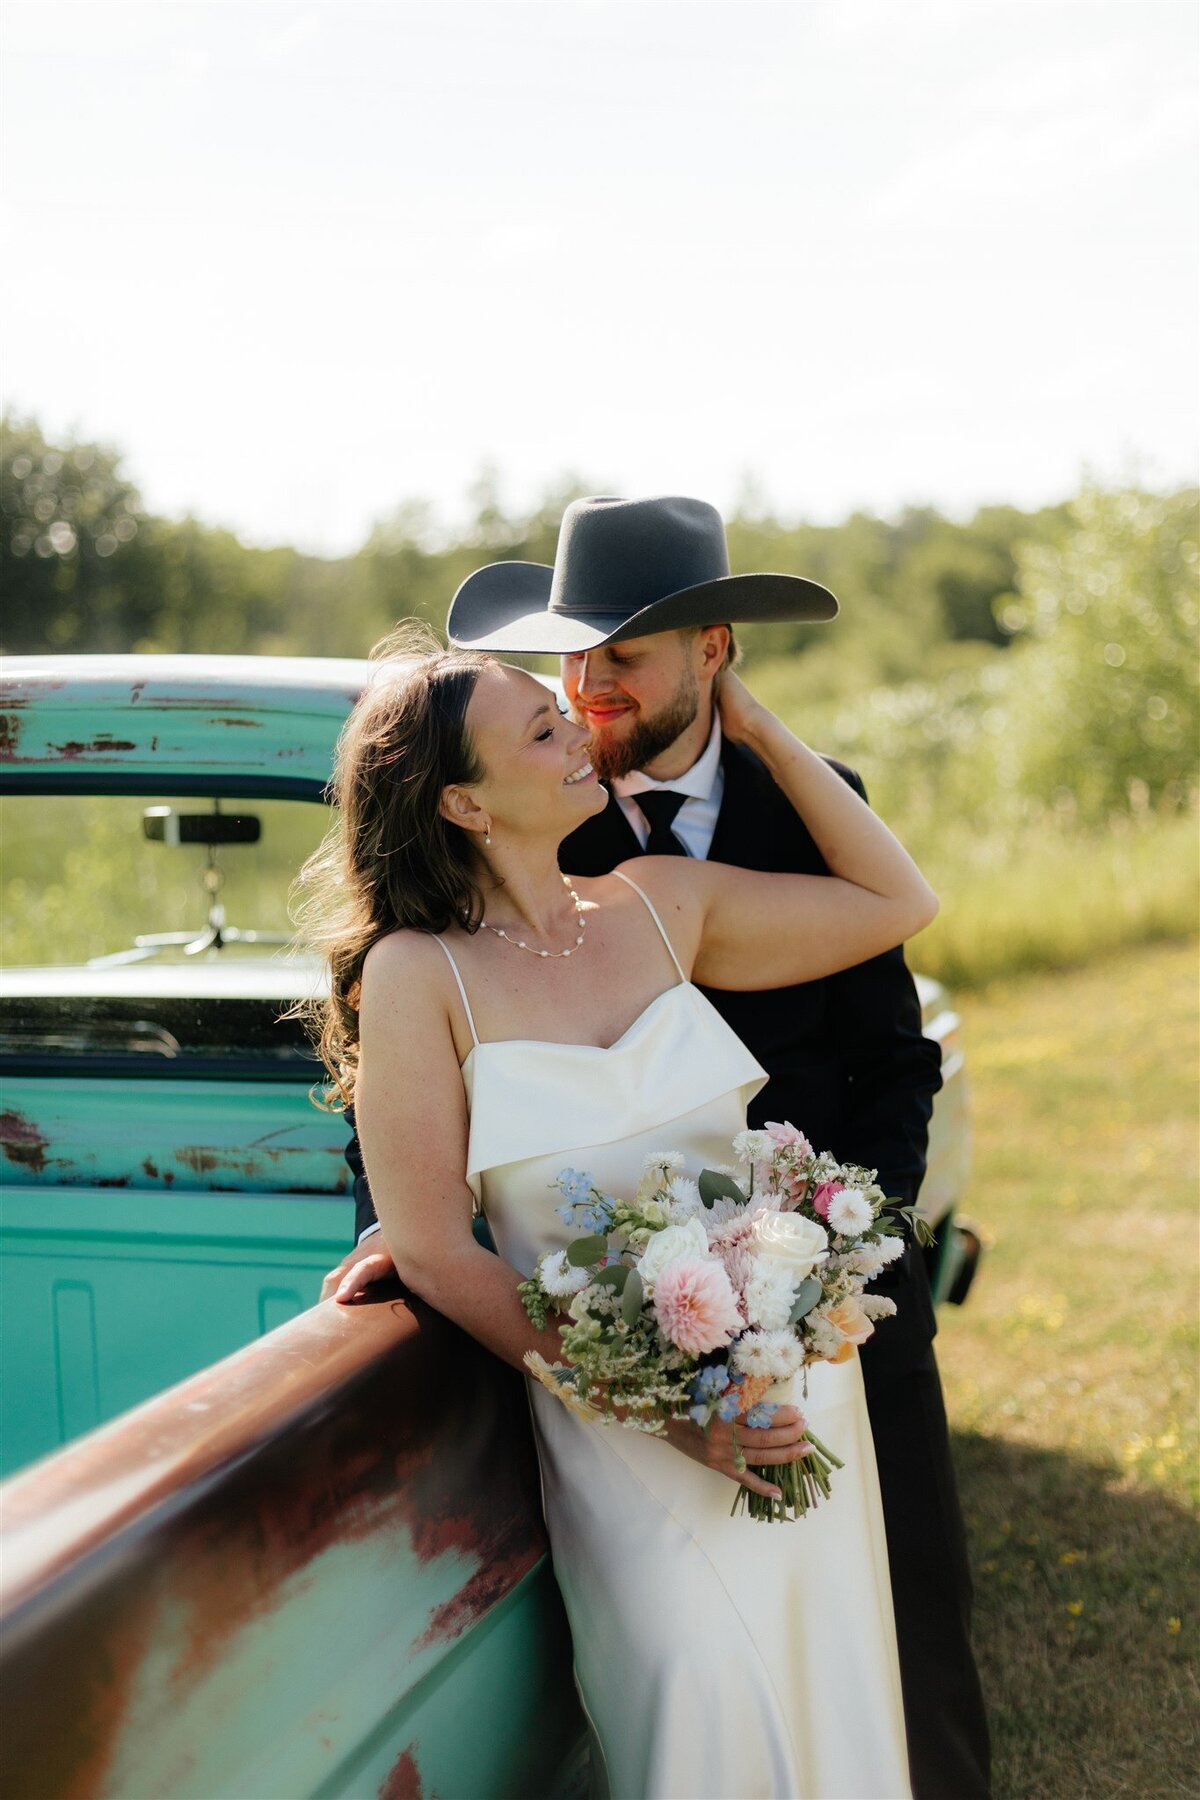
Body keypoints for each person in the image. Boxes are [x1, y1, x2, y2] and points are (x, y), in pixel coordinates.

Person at [324, 495, 990, 1798]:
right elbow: (431, 1240)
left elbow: (900, 903)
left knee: (844, 1688)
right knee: (704, 1707)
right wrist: (667, 1411)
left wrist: (757, 724)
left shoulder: (659, 904)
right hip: (625, 1428)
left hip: (798, 1377)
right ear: (462, 801)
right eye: (540, 717)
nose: (579, 713)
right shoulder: (419, 974)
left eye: (590, 682)